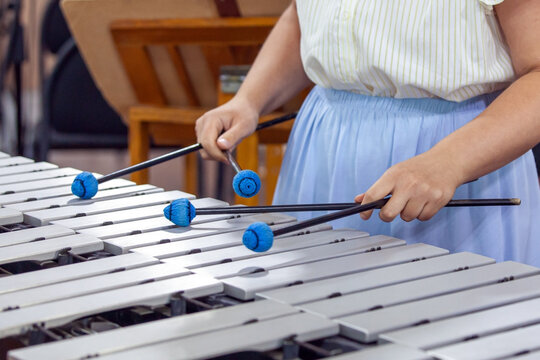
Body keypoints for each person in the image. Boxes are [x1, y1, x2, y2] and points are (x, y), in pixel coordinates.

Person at [195, 0, 540, 266]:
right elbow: (303, 17)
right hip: (323, 151)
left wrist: (450, 161)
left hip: (456, 158)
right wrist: (249, 100)